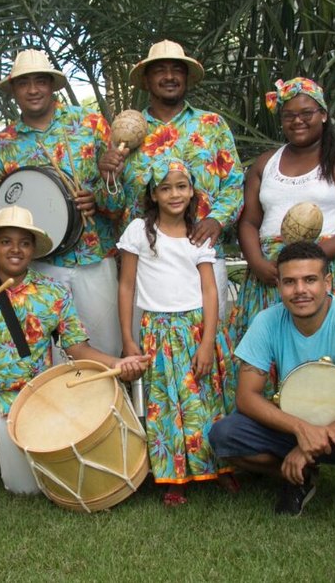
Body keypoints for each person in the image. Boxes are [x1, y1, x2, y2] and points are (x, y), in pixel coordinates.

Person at [0, 206, 147, 524]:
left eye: (24, 243)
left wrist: (119, 362)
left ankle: (5, 458)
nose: (15, 249)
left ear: (32, 250)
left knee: (23, 488)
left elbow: (77, 348)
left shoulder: (54, 294)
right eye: (6, 241)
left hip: (24, 397)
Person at [209, 242, 335, 525]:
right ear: (279, 285)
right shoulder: (267, 322)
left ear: (327, 282)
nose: (300, 290)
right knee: (225, 436)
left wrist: (314, 441)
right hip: (292, 423)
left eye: (310, 280)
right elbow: (247, 396)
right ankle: (298, 476)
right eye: (289, 282)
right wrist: (301, 430)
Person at [117, 159, 237, 507]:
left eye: (182, 186)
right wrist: (128, 338)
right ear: (153, 194)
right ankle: (174, 474)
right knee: (168, 404)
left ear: (192, 190)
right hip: (158, 331)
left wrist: (208, 342)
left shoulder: (198, 233)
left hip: (197, 328)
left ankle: (221, 467)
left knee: (208, 400)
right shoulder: (139, 231)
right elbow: (126, 287)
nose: (174, 194)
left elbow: (210, 290)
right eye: (166, 187)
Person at [0, 49, 123, 355]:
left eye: (40, 81)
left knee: (106, 349)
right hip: (38, 262)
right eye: (24, 83)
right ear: (14, 91)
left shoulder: (89, 125)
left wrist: (97, 199)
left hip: (92, 257)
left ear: (52, 85)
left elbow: (117, 204)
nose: (33, 90)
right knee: (47, 355)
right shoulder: (2, 145)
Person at [100, 40, 243, 318]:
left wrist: (217, 219)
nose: (169, 76)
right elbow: (112, 208)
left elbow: (235, 184)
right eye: (159, 70)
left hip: (202, 253)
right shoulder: (125, 131)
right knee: (148, 349)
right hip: (146, 261)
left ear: (186, 77)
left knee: (206, 345)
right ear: (146, 79)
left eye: (176, 69)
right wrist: (109, 177)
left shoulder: (211, 125)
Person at [229, 77, 335, 348]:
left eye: (306, 113)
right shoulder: (266, 163)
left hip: (326, 267)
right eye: (289, 115)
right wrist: (258, 263)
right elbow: (248, 222)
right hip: (271, 275)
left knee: (328, 351)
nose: (298, 121)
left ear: (323, 115)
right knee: (269, 354)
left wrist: (309, 260)